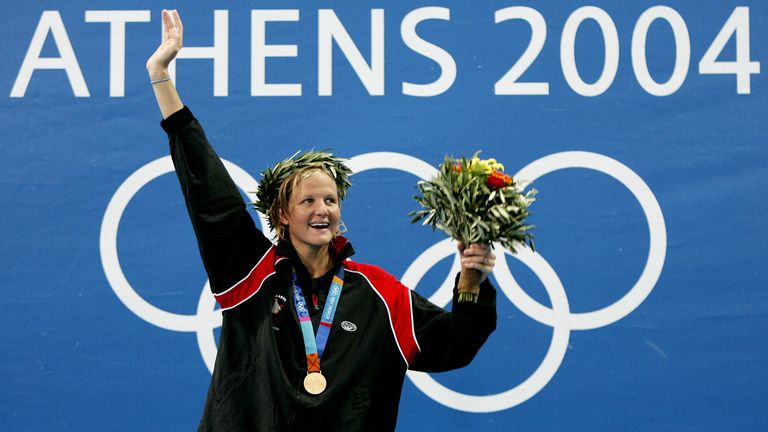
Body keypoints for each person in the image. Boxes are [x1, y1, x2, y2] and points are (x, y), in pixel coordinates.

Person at [147, 9, 498, 431]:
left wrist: (471, 282)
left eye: (330, 200)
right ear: (281, 214)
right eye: (308, 200)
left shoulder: (378, 296)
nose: (322, 210)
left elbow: (452, 345)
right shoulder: (250, 274)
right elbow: (210, 194)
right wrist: (161, 78)